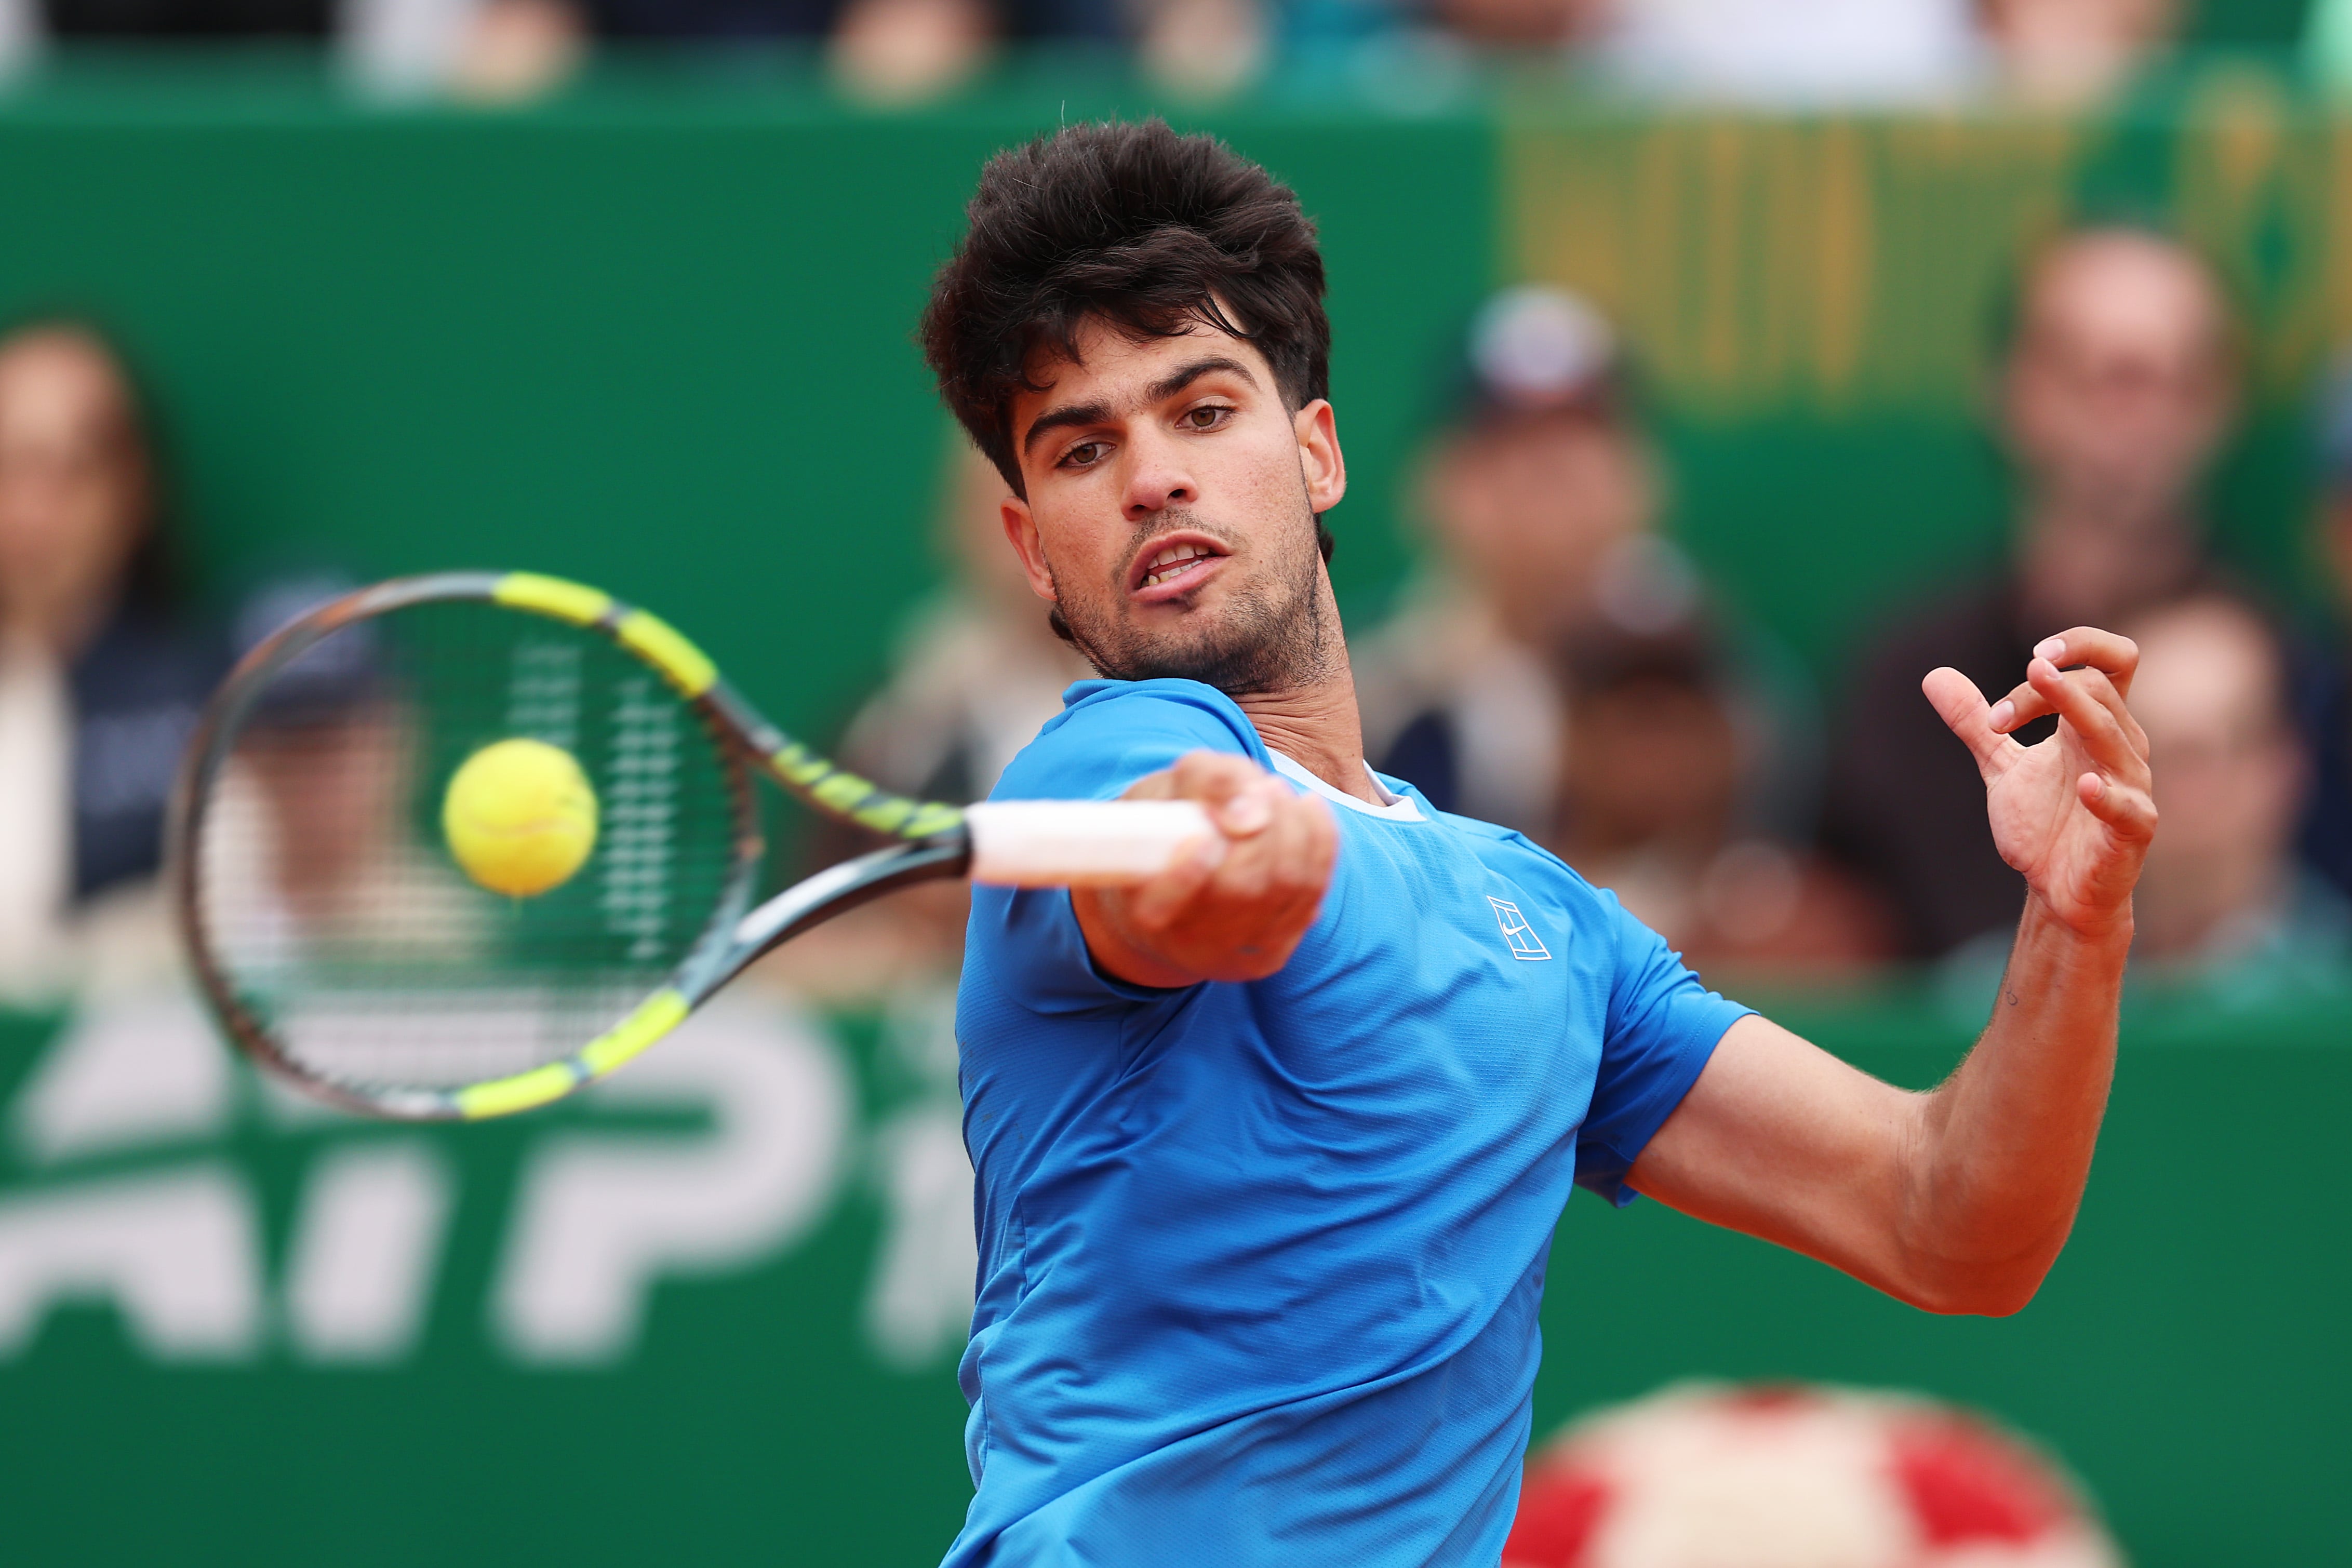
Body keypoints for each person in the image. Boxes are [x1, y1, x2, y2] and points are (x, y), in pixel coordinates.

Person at [919, 118, 2154, 1565]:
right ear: (1031, 546)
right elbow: (1180, 874)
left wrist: (2076, 927)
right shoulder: (1097, 769)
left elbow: (1952, 1220)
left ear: (1315, 452)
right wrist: (1224, 862)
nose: (1150, 478)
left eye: (1201, 411)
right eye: (1083, 448)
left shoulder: (1549, 926)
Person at [1824, 224, 2230, 959]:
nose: (2131, 409)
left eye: (2170, 375)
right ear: (2011, 390)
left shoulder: (2293, 670)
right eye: (2094, 372)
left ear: (2218, 405)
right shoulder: (1910, 684)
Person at [0, 321, 223, 1000]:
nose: (37, 510)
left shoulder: (213, 697)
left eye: (72, 467)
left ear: (135, 488)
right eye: (11, 466)